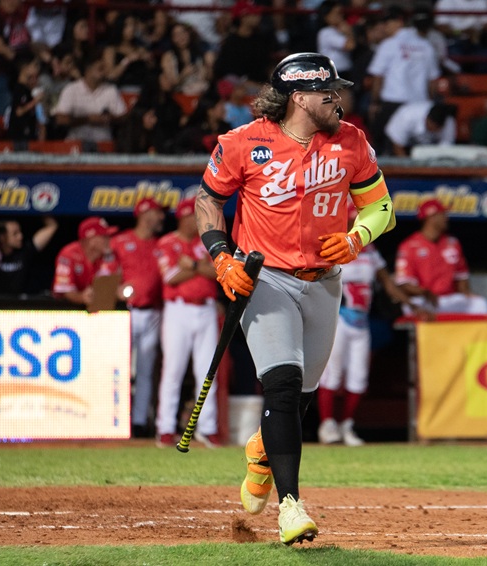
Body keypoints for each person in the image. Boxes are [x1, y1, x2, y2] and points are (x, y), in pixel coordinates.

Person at [195, 52, 395, 544]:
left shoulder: (353, 141)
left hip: (325, 280)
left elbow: (383, 207)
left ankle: (262, 451)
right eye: (329, 91)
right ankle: (290, 507)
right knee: (282, 385)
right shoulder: (243, 142)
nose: (339, 99)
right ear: (300, 97)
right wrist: (221, 256)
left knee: (301, 396)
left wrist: (355, 238)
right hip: (266, 277)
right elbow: (207, 200)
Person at [317, 202, 411, 446]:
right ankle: (327, 425)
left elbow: (387, 282)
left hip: (361, 322)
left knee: (359, 377)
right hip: (340, 318)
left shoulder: (369, 250)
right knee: (332, 374)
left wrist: (411, 304)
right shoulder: (333, 246)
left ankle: (347, 424)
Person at [154, 197, 221, 449]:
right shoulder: (167, 243)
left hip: (205, 310)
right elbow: (170, 277)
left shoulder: (207, 242)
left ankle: (208, 428)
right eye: (195, 216)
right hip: (177, 311)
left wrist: (192, 265)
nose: (199, 220)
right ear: (183, 217)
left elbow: (218, 272)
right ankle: (166, 428)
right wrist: (200, 268)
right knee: (173, 370)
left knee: (207, 372)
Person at [112, 197, 165, 439]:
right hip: (126, 312)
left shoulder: (161, 244)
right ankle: (116, 419)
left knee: (145, 370)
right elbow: (107, 273)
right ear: (145, 214)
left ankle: (140, 421)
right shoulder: (120, 242)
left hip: (154, 312)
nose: (161, 217)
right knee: (119, 368)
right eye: (157, 213)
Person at [395, 198, 487, 316]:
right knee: (411, 306)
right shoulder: (409, 246)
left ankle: (477, 335)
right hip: (424, 299)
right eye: (442, 214)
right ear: (431, 217)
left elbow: (462, 278)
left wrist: (467, 294)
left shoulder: (452, 243)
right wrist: (425, 292)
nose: (446, 218)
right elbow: (404, 284)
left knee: (480, 304)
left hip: (448, 299)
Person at [367, 5, 441, 155]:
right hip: (419, 103)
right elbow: (433, 81)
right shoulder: (425, 45)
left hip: (392, 103)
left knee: (380, 146)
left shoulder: (388, 44)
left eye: (387, 23)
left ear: (399, 22)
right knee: (414, 147)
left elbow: (378, 76)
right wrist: (430, 102)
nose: (385, 27)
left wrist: (375, 102)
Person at [53, 54, 127, 147]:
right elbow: (61, 119)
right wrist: (87, 119)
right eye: (100, 68)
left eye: (104, 69)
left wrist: (108, 118)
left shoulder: (111, 90)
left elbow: (124, 117)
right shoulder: (71, 89)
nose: (103, 72)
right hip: (76, 144)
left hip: (103, 144)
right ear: (88, 69)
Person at [0, 216, 58, 295]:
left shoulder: (25, 251)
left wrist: (38, 206)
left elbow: (52, 226)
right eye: (15, 233)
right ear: (2, 237)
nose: (20, 236)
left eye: (20, 232)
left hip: (20, 305)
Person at [52, 216, 118, 308]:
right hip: (65, 309)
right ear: (91, 240)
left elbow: (108, 284)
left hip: (95, 309)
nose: (109, 240)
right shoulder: (68, 254)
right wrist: (81, 297)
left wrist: (119, 291)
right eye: (104, 237)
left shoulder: (108, 256)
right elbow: (65, 290)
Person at [384, 100, 456, 156]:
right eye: (430, 128)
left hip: (430, 150)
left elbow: (445, 149)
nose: (432, 131)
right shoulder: (407, 116)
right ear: (426, 119)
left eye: (436, 129)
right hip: (403, 145)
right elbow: (397, 144)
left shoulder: (448, 122)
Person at [7, 57, 46, 142]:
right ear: (25, 68)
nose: (37, 68)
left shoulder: (28, 90)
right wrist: (35, 101)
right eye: (34, 66)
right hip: (19, 137)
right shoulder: (19, 89)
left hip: (29, 134)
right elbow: (19, 111)